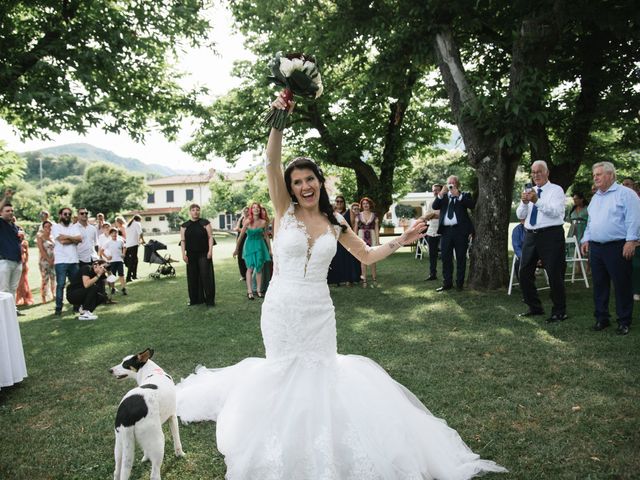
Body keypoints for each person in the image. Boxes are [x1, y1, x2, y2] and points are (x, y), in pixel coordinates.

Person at [175, 92, 506, 479]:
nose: (304, 186)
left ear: (319, 181)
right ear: (291, 187)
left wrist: (402, 240)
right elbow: (271, 160)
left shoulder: (336, 223)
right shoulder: (283, 211)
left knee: (321, 376)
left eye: (309, 179)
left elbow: (366, 255)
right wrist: (279, 117)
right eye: (297, 182)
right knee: (283, 373)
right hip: (282, 308)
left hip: (319, 310)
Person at [580, 162, 640, 335]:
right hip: (597, 248)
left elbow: (634, 219)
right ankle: (601, 318)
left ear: (611, 175)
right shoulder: (596, 197)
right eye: (594, 175)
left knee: (622, 285)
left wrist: (631, 241)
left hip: (618, 246)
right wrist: (586, 239)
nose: (595, 178)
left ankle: (624, 321)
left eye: (599, 174)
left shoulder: (626, 194)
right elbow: (591, 222)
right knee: (599, 285)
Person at [516, 160, 567, 322]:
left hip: (550, 235)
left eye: (539, 171)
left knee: (554, 273)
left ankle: (559, 311)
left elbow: (556, 212)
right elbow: (520, 215)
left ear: (547, 173)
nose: (536, 175)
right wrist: (524, 203)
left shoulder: (556, 190)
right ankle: (535, 307)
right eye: (533, 172)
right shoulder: (530, 190)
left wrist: (537, 201)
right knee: (523, 272)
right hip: (531, 234)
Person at [432, 175, 475, 292]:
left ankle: (460, 284)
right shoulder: (444, 197)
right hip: (446, 231)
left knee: (461, 258)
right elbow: (434, 206)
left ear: (457, 184)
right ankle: (447, 283)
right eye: (449, 182)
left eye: (453, 182)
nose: (451, 184)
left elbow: (472, 205)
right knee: (446, 258)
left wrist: (458, 195)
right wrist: (440, 194)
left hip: (460, 231)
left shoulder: (464, 195)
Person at [180, 204, 216, 306]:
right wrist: (183, 254)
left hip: (204, 253)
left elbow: (210, 237)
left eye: (197, 210)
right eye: (193, 210)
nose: (195, 212)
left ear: (199, 212)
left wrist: (210, 251)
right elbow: (183, 241)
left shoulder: (205, 223)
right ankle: (194, 300)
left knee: (206, 276)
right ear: (190, 212)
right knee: (192, 277)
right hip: (190, 254)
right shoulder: (184, 226)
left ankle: (209, 300)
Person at [233, 202, 271, 299]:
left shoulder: (264, 222)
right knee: (250, 268)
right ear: (251, 210)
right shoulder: (247, 221)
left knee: (259, 268)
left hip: (259, 246)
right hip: (249, 246)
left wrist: (270, 249)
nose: (256, 209)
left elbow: (266, 237)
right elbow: (241, 236)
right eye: (253, 208)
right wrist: (236, 249)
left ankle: (258, 290)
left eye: (257, 207)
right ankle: (250, 291)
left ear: (259, 209)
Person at [51, 207, 82, 315]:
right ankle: (58, 308)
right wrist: (73, 239)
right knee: (61, 285)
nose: (67, 216)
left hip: (74, 260)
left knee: (75, 284)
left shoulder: (74, 227)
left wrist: (68, 237)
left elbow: (80, 239)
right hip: (61, 261)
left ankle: (76, 306)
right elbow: (62, 241)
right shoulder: (55, 227)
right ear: (60, 215)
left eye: (69, 214)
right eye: (65, 214)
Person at [327, 195, 360, 286]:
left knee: (347, 260)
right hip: (335, 239)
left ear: (344, 202)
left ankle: (348, 279)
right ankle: (336, 280)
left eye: (341, 201)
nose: (339, 203)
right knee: (336, 259)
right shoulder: (332, 212)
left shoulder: (349, 212)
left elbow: (353, 225)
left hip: (346, 238)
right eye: (337, 201)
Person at [0, 196, 24, 316]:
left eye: (11, 211)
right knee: (3, 289)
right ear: (1, 213)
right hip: (4, 261)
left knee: (13, 288)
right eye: (7, 211)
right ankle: (3, 312)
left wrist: (21, 238)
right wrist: (6, 196)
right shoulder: (1, 224)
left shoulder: (15, 227)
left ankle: (12, 310)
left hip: (17, 261)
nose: (10, 213)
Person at [354, 196, 379, 287]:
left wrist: (377, 241)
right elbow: (355, 230)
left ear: (370, 204)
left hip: (372, 237)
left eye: (367, 203)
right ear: (361, 205)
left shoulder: (374, 215)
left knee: (373, 259)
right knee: (363, 260)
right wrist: (355, 241)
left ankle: (374, 279)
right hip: (361, 237)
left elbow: (376, 229)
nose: (365, 205)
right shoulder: (358, 216)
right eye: (364, 204)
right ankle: (364, 280)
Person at [423, 184, 442, 281]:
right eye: (434, 190)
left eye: (437, 190)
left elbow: (442, 216)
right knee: (432, 255)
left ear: (441, 191)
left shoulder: (445, 202)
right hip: (431, 231)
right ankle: (432, 274)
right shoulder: (431, 203)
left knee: (446, 255)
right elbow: (426, 216)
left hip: (443, 232)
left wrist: (432, 215)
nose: (435, 192)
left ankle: (446, 276)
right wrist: (434, 214)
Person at [100, 228, 127, 296]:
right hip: (112, 261)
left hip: (119, 261)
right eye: (113, 233)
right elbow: (101, 251)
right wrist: (107, 257)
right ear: (110, 234)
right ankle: (113, 288)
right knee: (112, 276)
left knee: (121, 275)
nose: (114, 234)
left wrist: (123, 254)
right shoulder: (108, 242)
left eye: (116, 233)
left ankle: (123, 288)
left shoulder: (120, 241)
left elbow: (124, 247)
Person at [37, 220, 56, 304]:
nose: (48, 228)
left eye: (50, 226)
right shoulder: (40, 237)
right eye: (46, 226)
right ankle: (43, 296)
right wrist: (48, 260)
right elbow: (41, 250)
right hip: (44, 261)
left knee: (53, 278)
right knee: (45, 279)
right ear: (43, 228)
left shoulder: (53, 237)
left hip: (54, 260)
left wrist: (53, 260)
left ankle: (53, 294)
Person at [15, 229, 34, 307]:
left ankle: (26, 299)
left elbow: (27, 254)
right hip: (16, 264)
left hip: (23, 265)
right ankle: (19, 299)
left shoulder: (25, 242)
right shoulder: (14, 242)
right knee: (19, 284)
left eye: (22, 232)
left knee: (23, 283)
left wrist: (25, 262)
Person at [125, 214, 145, 282]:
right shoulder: (137, 223)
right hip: (134, 245)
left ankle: (134, 275)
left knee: (135, 260)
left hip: (128, 245)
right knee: (133, 261)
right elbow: (140, 233)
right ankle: (128, 277)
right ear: (138, 219)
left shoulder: (128, 225)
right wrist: (143, 240)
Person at [234, 207, 250, 281]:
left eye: (247, 211)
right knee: (239, 256)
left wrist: (240, 230)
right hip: (240, 238)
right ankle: (243, 275)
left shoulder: (250, 219)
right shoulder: (241, 219)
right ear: (243, 212)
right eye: (244, 211)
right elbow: (236, 228)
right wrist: (240, 229)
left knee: (246, 255)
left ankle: (248, 273)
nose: (246, 212)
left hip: (247, 238)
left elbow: (247, 230)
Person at [511, 217, 526, 281]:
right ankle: (523, 285)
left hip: (540, 256)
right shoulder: (517, 230)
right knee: (518, 264)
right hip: (524, 257)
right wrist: (525, 258)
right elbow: (517, 248)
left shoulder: (538, 228)